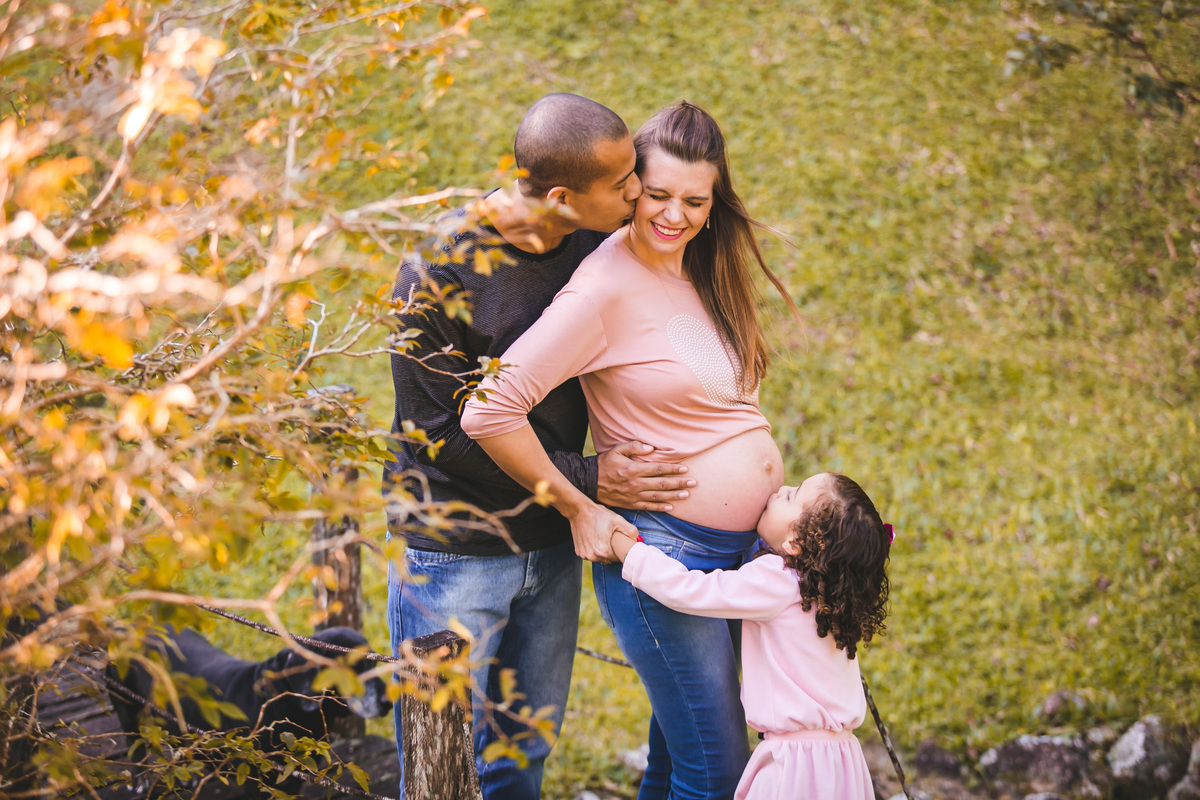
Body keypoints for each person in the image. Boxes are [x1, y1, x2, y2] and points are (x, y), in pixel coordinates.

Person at [461, 102, 801, 800]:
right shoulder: (601, 286)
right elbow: (490, 410)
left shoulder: (697, 269)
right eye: (659, 195)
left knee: (678, 764)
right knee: (718, 772)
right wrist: (580, 506)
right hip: (666, 554)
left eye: (695, 200)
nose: (674, 214)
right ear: (631, 188)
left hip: (733, 558)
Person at [384, 93, 698, 800]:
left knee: (524, 747)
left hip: (552, 544)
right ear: (562, 196)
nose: (636, 194)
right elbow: (437, 438)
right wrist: (589, 479)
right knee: (441, 767)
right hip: (452, 549)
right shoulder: (434, 274)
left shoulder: (596, 243)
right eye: (622, 185)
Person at [610, 472, 893, 800]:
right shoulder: (831, 597)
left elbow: (694, 591)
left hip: (793, 767)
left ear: (795, 543)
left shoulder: (779, 581)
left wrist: (630, 553)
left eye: (791, 496)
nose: (782, 489)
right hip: (842, 761)